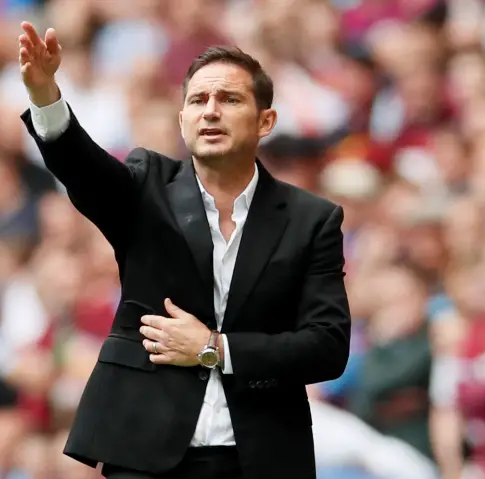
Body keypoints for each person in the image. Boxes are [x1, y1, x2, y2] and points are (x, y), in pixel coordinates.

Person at [18, 21, 351, 479]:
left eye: (229, 99)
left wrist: (215, 349)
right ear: (182, 120)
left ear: (265, 121)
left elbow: (327, 347)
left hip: (260, 457)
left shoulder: (312, 220)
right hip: (145, 456)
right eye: (198, 100)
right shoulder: (146, 186)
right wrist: (45, 96)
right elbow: (83, 169)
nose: (210, 112)